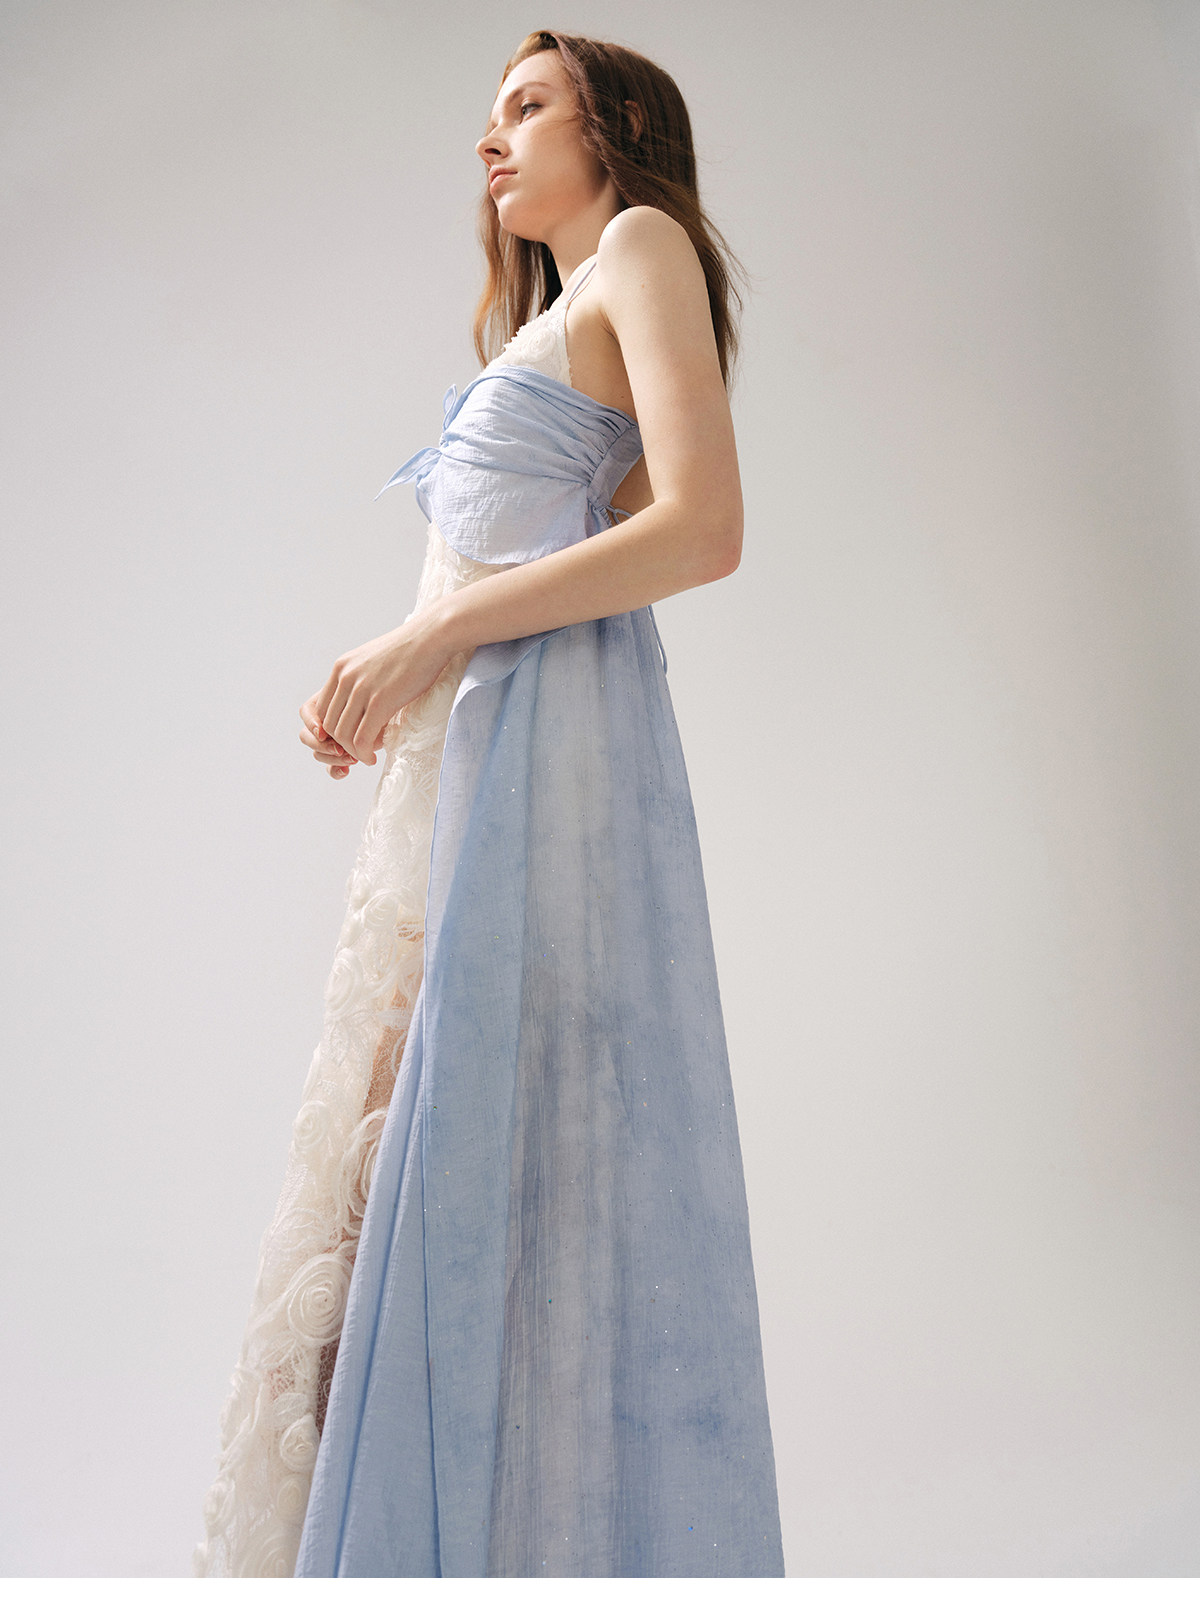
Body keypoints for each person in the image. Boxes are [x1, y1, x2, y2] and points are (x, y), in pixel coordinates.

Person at [194, 28, 784, 1579]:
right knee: (434, 1174)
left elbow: (705, 527)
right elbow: (563, 544)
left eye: (527, 106)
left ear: (616, 128)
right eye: (490, 111)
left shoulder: (641, 247)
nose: (490, 137)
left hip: (549, 769)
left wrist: (433, 638)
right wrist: (394, 676)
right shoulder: (560, 314)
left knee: (483, 1165)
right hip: (481, 762)